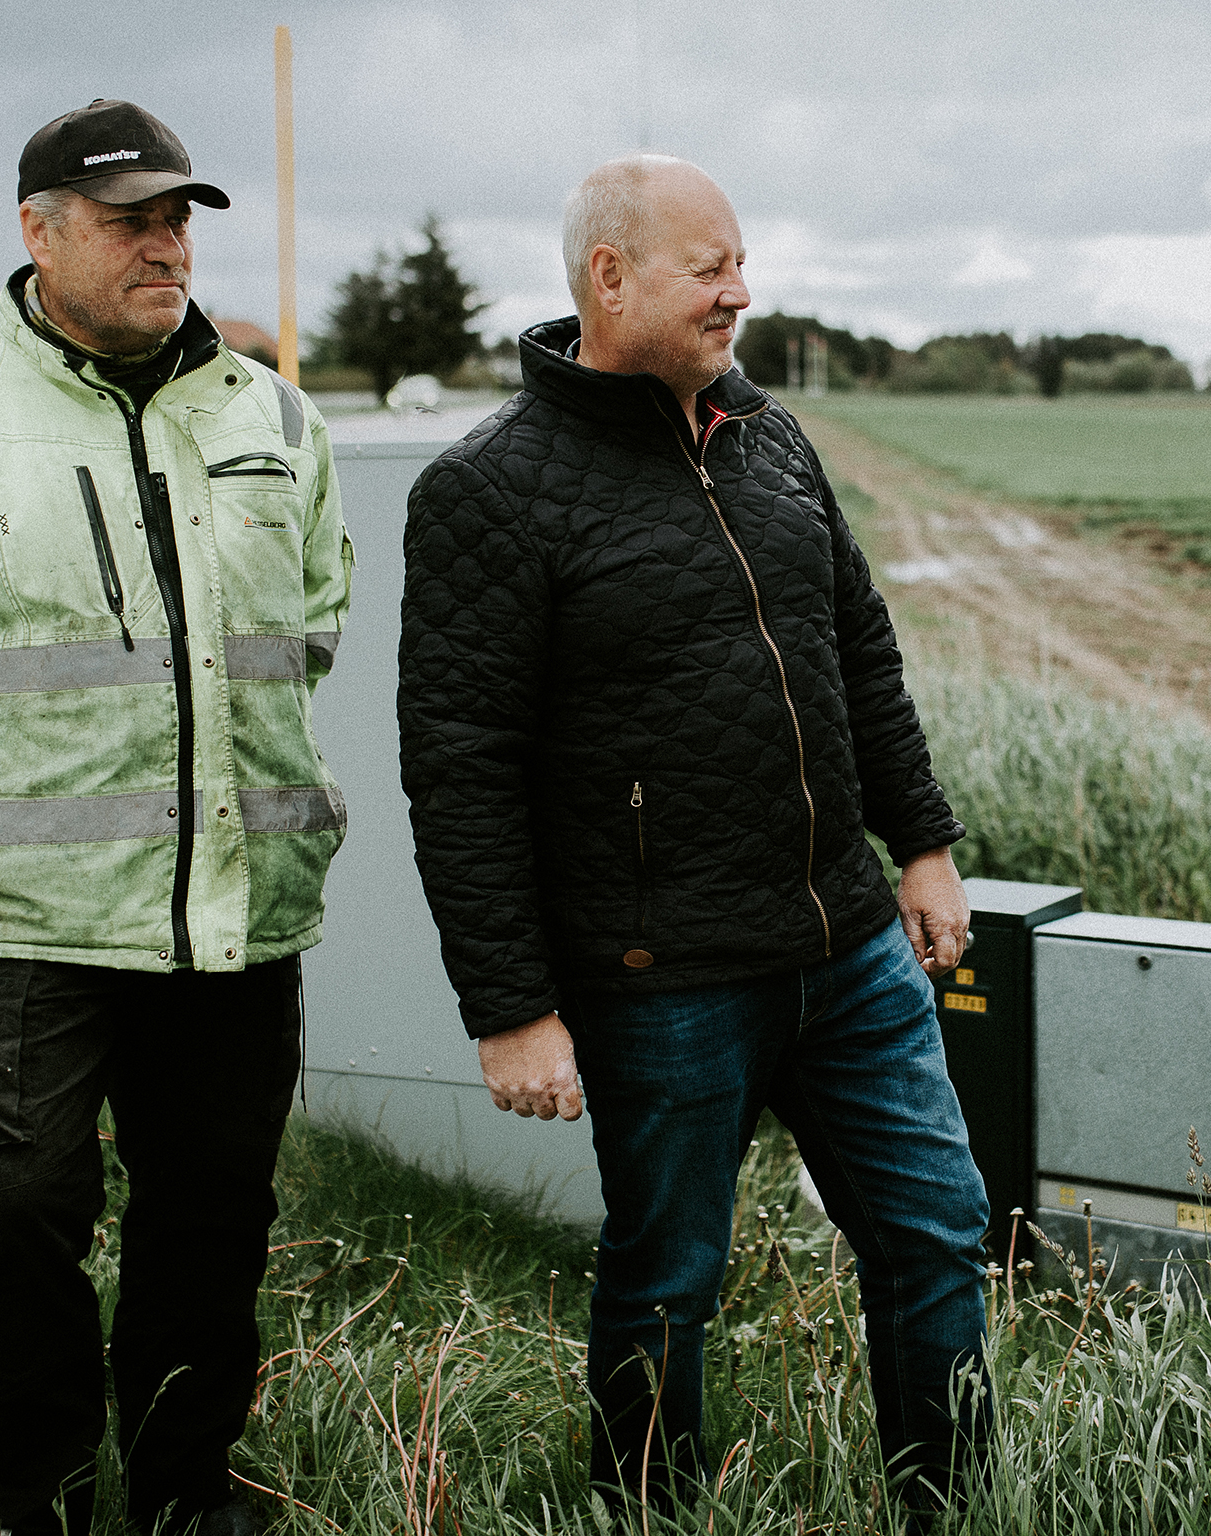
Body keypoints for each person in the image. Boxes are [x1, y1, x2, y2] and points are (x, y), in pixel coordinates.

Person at [0, 98, 351, 1536]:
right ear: (37, 232)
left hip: (237, 912)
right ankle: (17, 1499)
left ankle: (179, 1488)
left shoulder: (274, 417)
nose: (167, 244)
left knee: (211, 1217)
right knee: (24, 1212)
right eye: (129, 219)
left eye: (180, 218)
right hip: (26, 925)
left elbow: (313, 625)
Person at [397, 154, 992, 1518]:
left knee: (938, 1232)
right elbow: (461, 768)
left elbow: (859, 653)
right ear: (611, 278)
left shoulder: (770, 435)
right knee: (667, 1275)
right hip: (662, 976)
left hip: (845, 946)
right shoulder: (491, 490)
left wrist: (923, 843)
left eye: (741, 260)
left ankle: (950, 1502)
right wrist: (511, 1006)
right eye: (709, 264)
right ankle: (645, 1508)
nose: (741, 289)